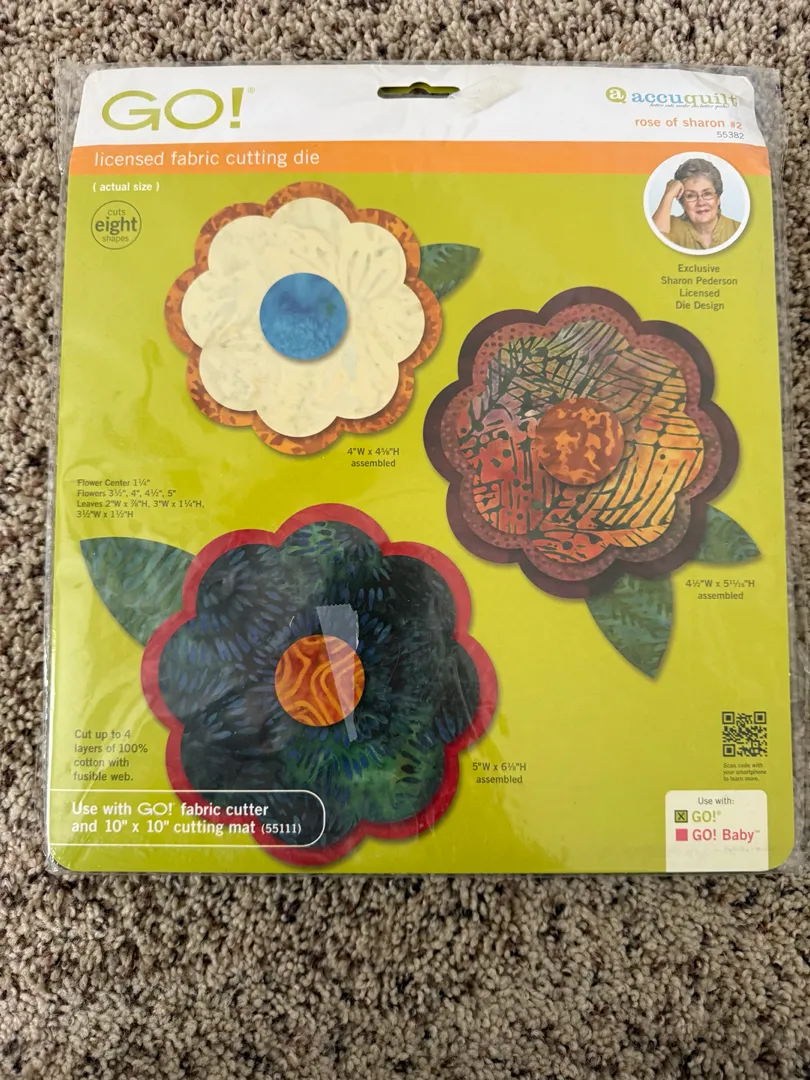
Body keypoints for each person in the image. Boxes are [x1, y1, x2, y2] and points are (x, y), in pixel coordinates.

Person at [652, 158, 740, 250]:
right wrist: (668, 195)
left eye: (707, 194)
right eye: (691, 196)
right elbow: (653, 244)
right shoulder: (669, 225)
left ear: (718, 198)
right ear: (682, 203)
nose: (701, 203)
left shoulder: (737, 229)